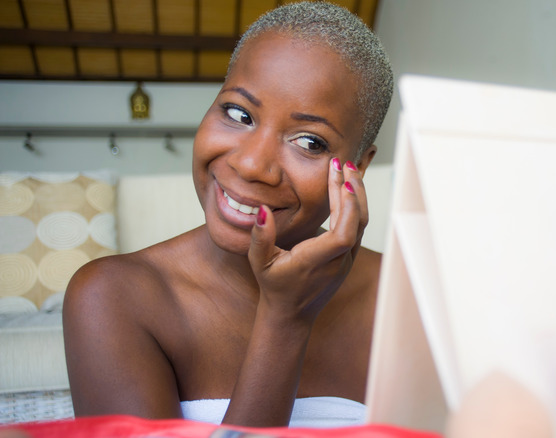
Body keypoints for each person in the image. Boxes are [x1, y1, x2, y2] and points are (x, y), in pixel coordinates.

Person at [63, 1, 393, 429]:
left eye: (309, 141)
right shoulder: (112, 297)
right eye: (239, 113)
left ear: (358, 166)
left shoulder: (401, 298)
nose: (252, 165)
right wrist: (284, 321)